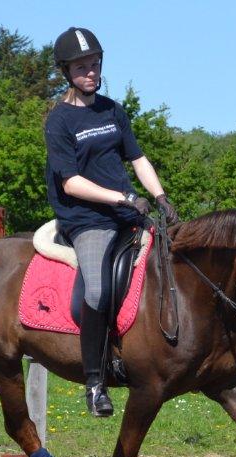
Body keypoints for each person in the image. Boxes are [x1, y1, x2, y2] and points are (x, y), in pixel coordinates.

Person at [45, 26, 178, 418]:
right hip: (87, 219)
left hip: (128, 212)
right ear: (66, 71)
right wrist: (123, 197)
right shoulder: (59, 121)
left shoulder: (112, 110)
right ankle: (94, 381)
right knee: (98, 291)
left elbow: (137, 159)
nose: (91, 71)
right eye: (82, 66)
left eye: (95, 64)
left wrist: (160, 196)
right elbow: (71, 183)